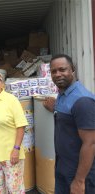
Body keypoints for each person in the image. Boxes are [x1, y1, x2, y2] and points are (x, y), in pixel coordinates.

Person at [43, 54, 95, 194]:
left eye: (62, 69)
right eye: (54, 71)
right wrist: (54, 109)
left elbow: (90, 143)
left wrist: (79, 181)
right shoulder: (63, 94)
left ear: (72, 70)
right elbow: (70, 120)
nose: (57, 74)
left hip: (78, 172)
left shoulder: (83, 100)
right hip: (63, 167)